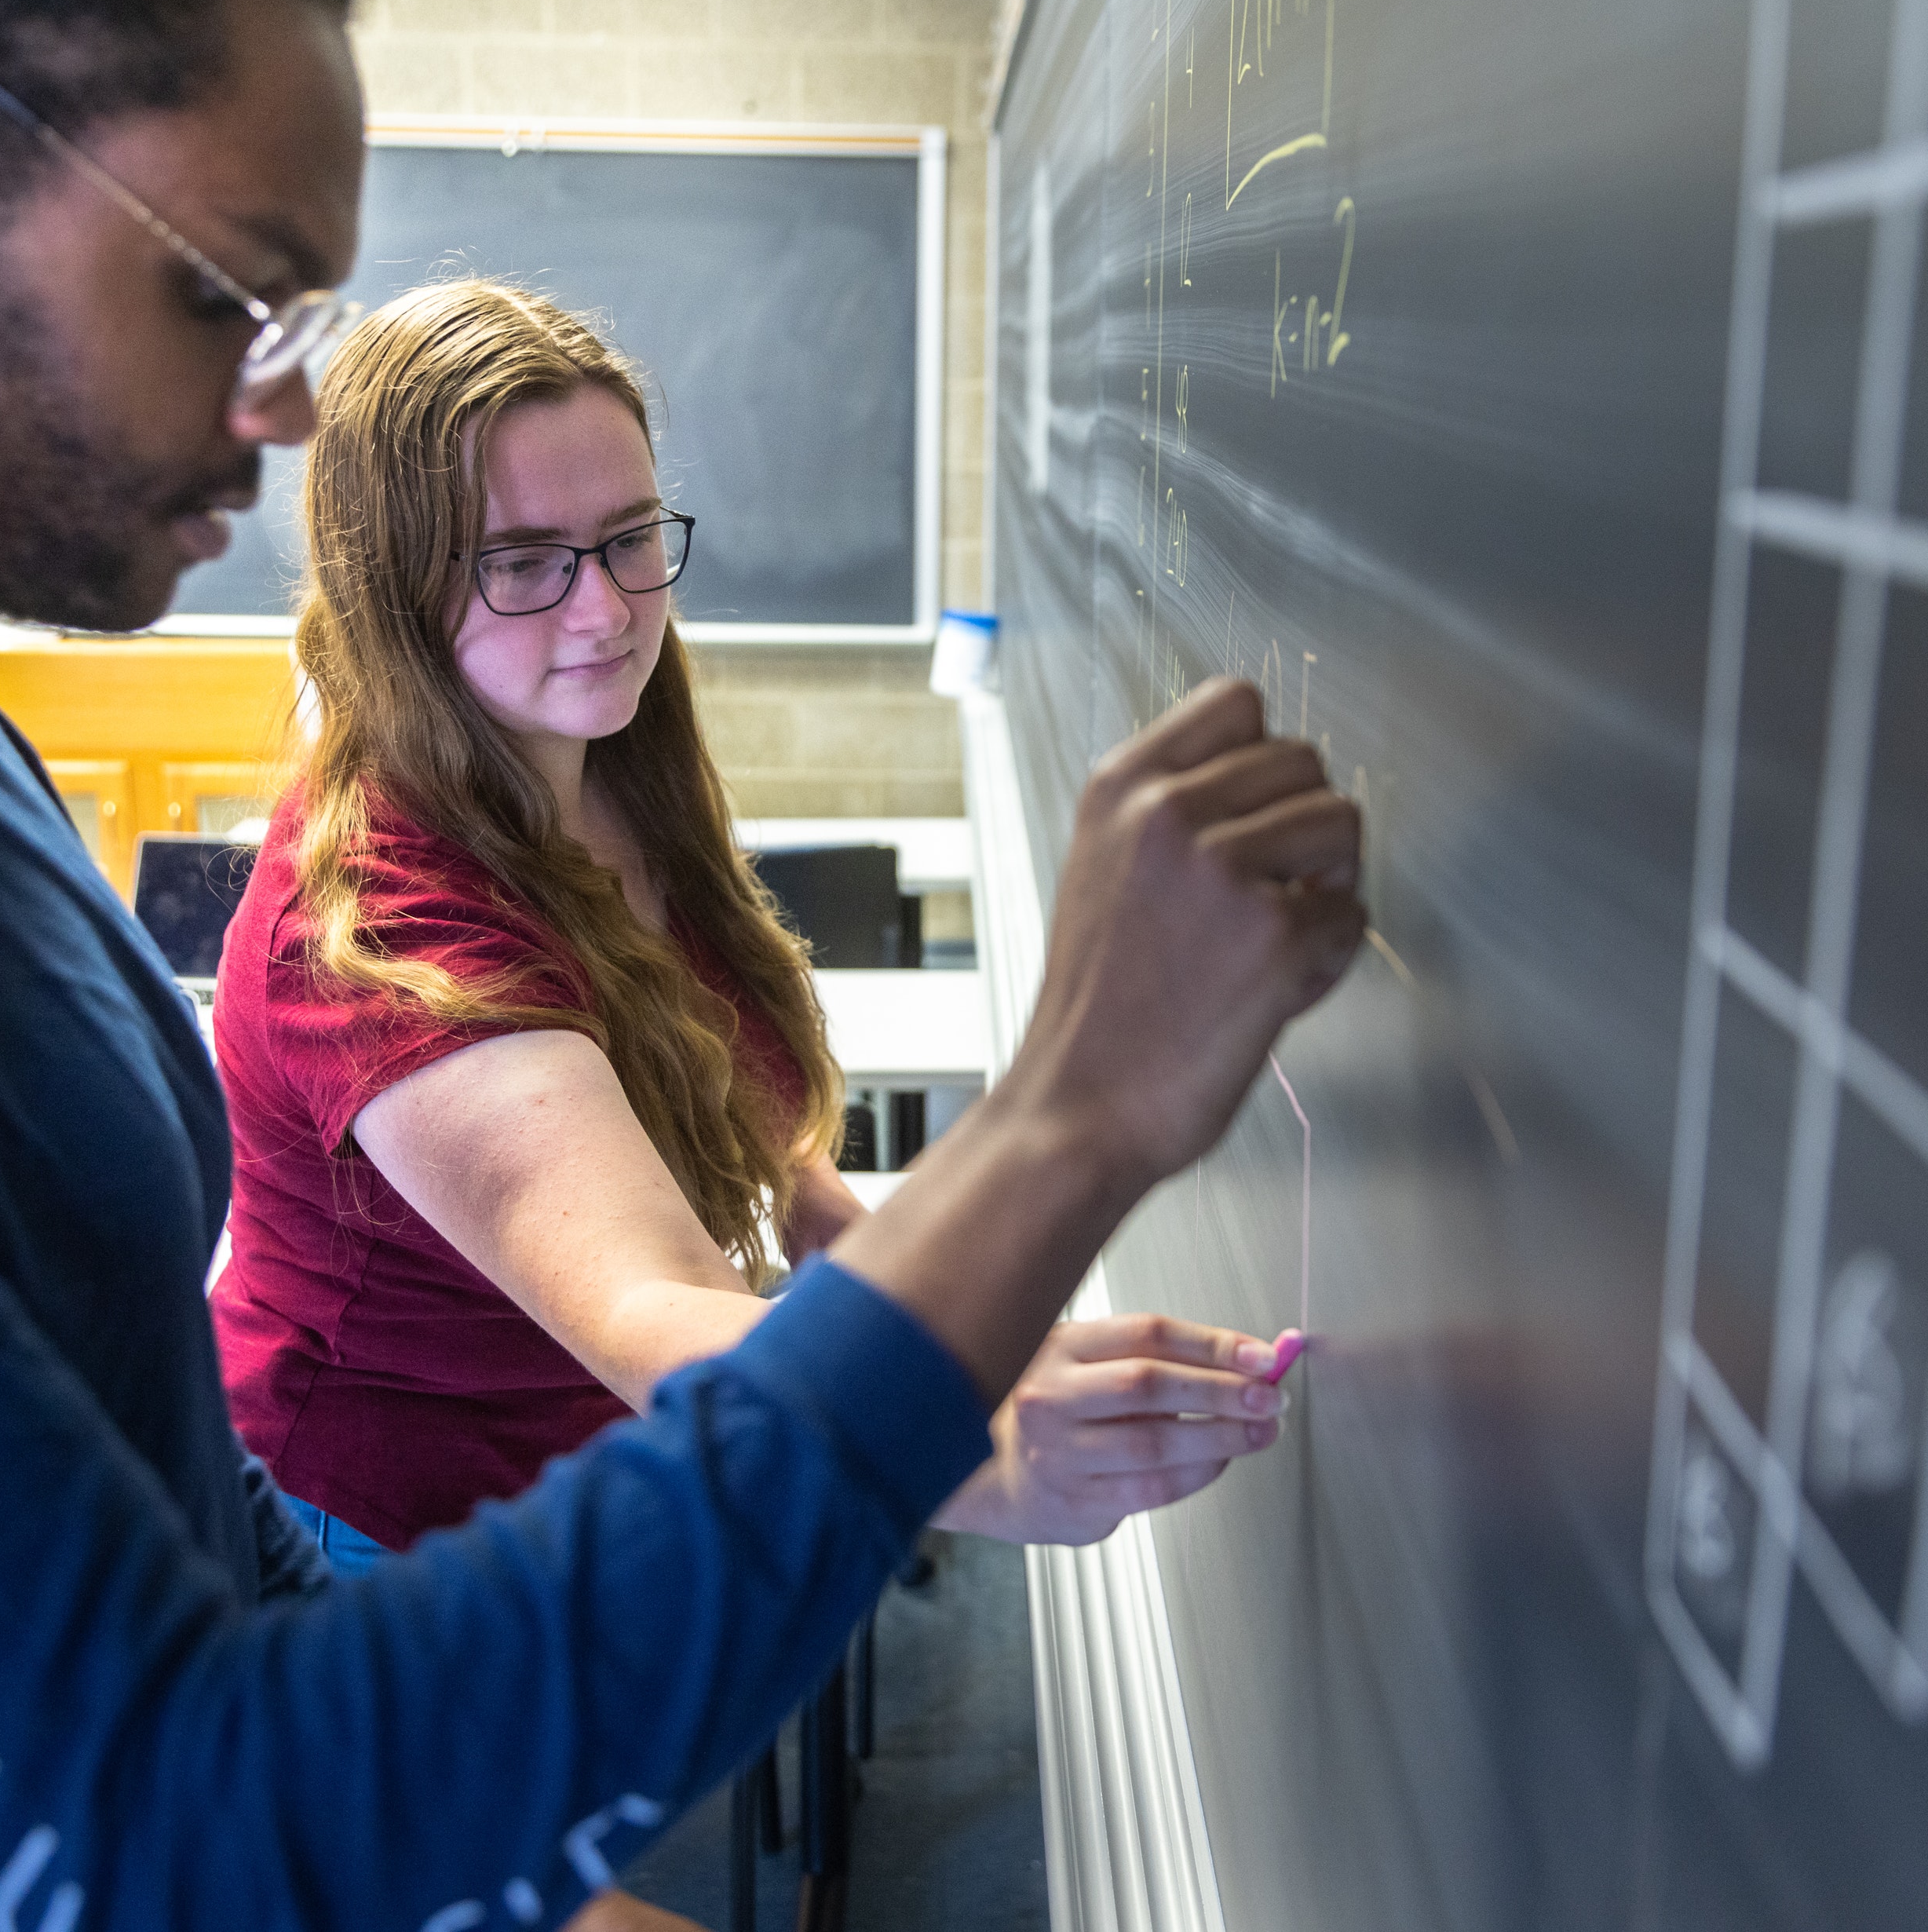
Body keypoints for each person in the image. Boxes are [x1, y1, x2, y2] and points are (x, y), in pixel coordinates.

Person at [0, 0, 1365, 1932]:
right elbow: (157, 1842)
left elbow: (190, 1521)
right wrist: (1069, 1120)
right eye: (228, 294)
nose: (284, 415)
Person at [209, 279, 1293, 1572]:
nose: (606, 610)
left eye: (625, 539)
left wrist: (876, 1258)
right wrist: (970, 1440)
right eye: (521, 564)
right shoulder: (379, 938)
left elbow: (723, 1097)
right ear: (392, 588)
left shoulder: (602, 757)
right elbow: (650, 1306)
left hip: (578, 1482)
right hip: (387, 1552)